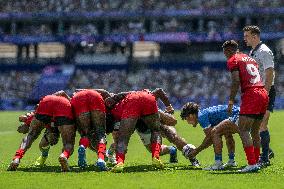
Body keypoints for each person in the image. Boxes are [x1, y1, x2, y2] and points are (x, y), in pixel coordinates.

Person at [222, 40, 269, 172]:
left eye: (225, 53)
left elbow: (236, 80)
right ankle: (256, 162)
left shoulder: (233, 59)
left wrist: (231, 100)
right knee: (255, 132)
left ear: (228, 51)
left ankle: (252, 163)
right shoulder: (249, 58)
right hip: (262, 92)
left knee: (243, 130)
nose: (225, 56)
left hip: (251, 94)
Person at [106, 88, 174, 172]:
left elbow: (117, 136)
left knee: (123, 137)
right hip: (148, 99)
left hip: (132, 104)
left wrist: (117, 148)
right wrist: (169, 106)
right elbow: (159, 91)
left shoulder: (114, 111)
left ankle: (120, 162)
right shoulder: (136, 93)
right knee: (155, 131)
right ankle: (155, 157)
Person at [7, 91, 76, 172]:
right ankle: (63, 156)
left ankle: (16, 159)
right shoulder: (67, 107)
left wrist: (26, 120)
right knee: (68, 143)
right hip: (62, 106)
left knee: (31, 136)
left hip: (47, 101)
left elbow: (62, 92)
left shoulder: (42, 113)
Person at [243, 25, 276, 166]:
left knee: (262, 124)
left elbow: (269, 72)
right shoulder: (253, 51)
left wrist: (265, 92)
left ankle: (265, 158)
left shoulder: (264, 51)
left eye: (247, 36)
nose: (245, 38)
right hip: (256, 92)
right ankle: (267, 151)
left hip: (265, 91)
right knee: (255, 126)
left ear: (255, 36)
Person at [180, 102, 239, 170]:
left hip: (237, 116)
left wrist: (196, 150)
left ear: (191, 116)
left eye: (186, 119)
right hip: (239, 113)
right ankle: (231, 161)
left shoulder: (201, 117)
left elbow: (210, 138)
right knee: (227, 134)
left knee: (215, 133)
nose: (188, 122)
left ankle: (218, 163)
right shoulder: (203, 114)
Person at [71, 89, 111, 171]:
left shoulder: (77, 92)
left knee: (85, 134)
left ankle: (82, 146)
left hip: (78, 98)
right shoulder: (95, 91)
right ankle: (101, 159)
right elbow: (106, 93)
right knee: (101, 133)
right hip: (95, 96)